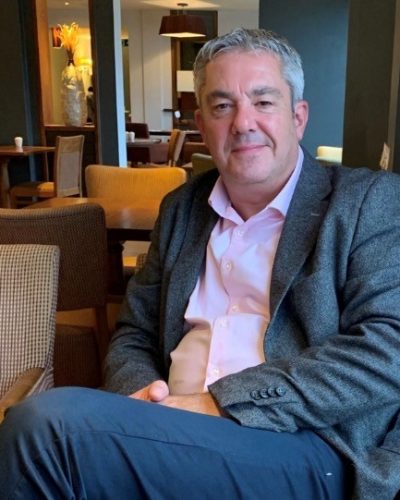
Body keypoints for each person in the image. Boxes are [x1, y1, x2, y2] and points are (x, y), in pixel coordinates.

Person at [1, 27, 400, 500]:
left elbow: (386, 348)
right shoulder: (181, 209)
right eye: (222, 105)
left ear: (298, 117)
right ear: (201, 124)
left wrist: (221, 403)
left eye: (263, 102)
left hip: (306, 444)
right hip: (172, 429)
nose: (243, 123)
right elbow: (134, 332)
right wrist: (143, 399)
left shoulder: (366, 201)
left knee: (48, 432)